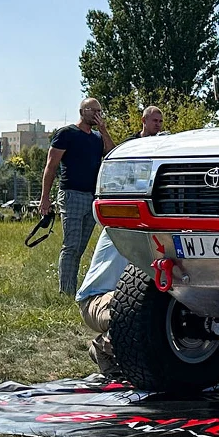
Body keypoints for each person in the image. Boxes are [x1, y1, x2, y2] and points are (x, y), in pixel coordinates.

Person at [40, 98, 114, 296]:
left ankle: (72, 287)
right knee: (71, 245)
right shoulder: (66, 134)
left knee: (80, 247)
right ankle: (66, 292)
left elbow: (112, 152)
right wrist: (45, 198)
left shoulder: (98, 137)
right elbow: (51, 166)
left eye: (100, 110)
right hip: (71, 194)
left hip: (92, 196)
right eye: (93, 110)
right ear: (82, 111)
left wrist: (104, 130)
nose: (98, 114)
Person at [76, 229, 129, 377]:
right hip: (96, 300)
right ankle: (102, 347)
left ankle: (110, 347)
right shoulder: (119, 225)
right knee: (144, 308)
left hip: (116, 300)